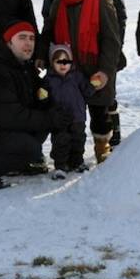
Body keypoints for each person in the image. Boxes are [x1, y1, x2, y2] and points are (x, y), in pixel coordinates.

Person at [0, 21, 72, 189]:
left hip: (3, 122)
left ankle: (20, 161)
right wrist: (49, 118)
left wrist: (50, 105)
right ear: (9, 42)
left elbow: (38, 99)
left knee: (46, 123)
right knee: (30, 147)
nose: (28, 43)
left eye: (32, 38)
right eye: (22, 38)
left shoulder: (24, 66)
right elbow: (11, 116)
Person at [41, 0, 127, 148]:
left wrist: (107, 68)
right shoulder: (57, 1)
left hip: (96, 64)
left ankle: (103, 148)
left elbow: (112, 37)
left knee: (100, 110)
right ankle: (71, 152)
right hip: (68, 66)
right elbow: (48, 30)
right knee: (70, 110)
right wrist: (43, 55)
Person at [42, 44, 96, 179]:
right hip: (60, 118)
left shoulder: (77, 76)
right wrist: (42, 96)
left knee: (78, 139)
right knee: (61, 140)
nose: (63, 64)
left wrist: (94, 85)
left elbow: (87, 90)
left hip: (78, 116)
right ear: (52, 63)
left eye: (66, 61)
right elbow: (44, 98)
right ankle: (60, 166)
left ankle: (77, 162)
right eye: (58, 61)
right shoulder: (48, 80)